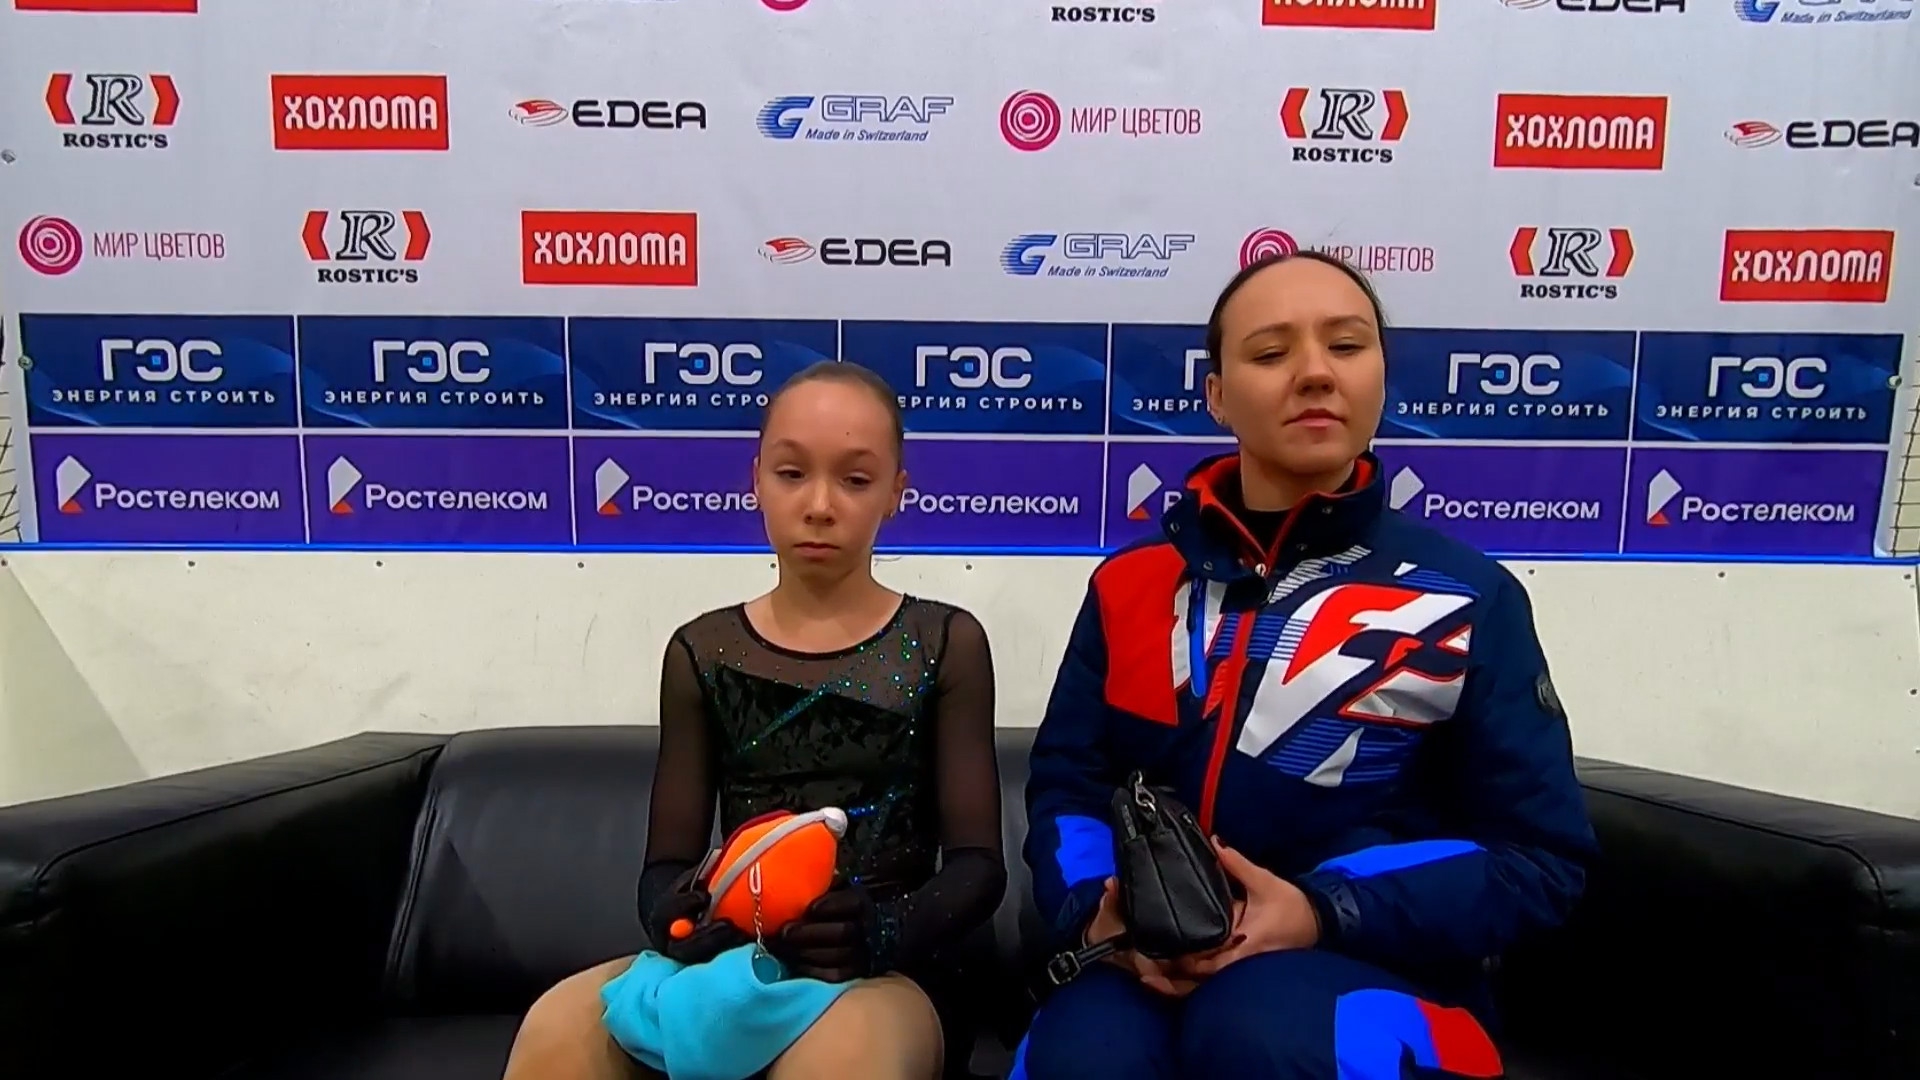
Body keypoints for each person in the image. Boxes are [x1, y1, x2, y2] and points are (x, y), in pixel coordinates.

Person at [1014, 252, 1598, 1079]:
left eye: (1346, 346)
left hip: (1378, 972)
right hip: (1142, 963)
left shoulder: (1470, 596)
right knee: (1086, 1056)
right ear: (1217, 395)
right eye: (1271, 352)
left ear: (1382, 377)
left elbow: (1540, 860)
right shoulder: (1129, 586)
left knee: (1255, 1030)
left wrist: (1324, 910)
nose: (1316, 373)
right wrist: (1098, 914)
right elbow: (1070, 788)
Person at [504, 361, 1007, 1080]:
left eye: (855, 480)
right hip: (740, 955)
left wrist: (885, 930)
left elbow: (978, 866)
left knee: (836, 1060)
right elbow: (666, 864)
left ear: (896, 492)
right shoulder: (701, 651)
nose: (820, 505)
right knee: (556, 1027)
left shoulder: (945, 642)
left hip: (890, 966)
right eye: (792, 474)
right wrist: (673, 918)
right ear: (756, 481)